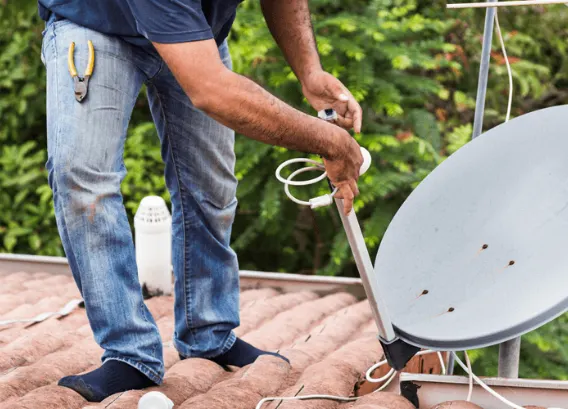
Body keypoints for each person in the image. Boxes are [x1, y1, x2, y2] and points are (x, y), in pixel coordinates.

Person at [38, 0, 364, 402]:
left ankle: (209, 333)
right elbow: (210, 89)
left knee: (211, 187)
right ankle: (129, 353)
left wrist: (310, 71)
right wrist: (328, 139)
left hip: (193, 36)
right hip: (96, 24)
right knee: (84, 181)